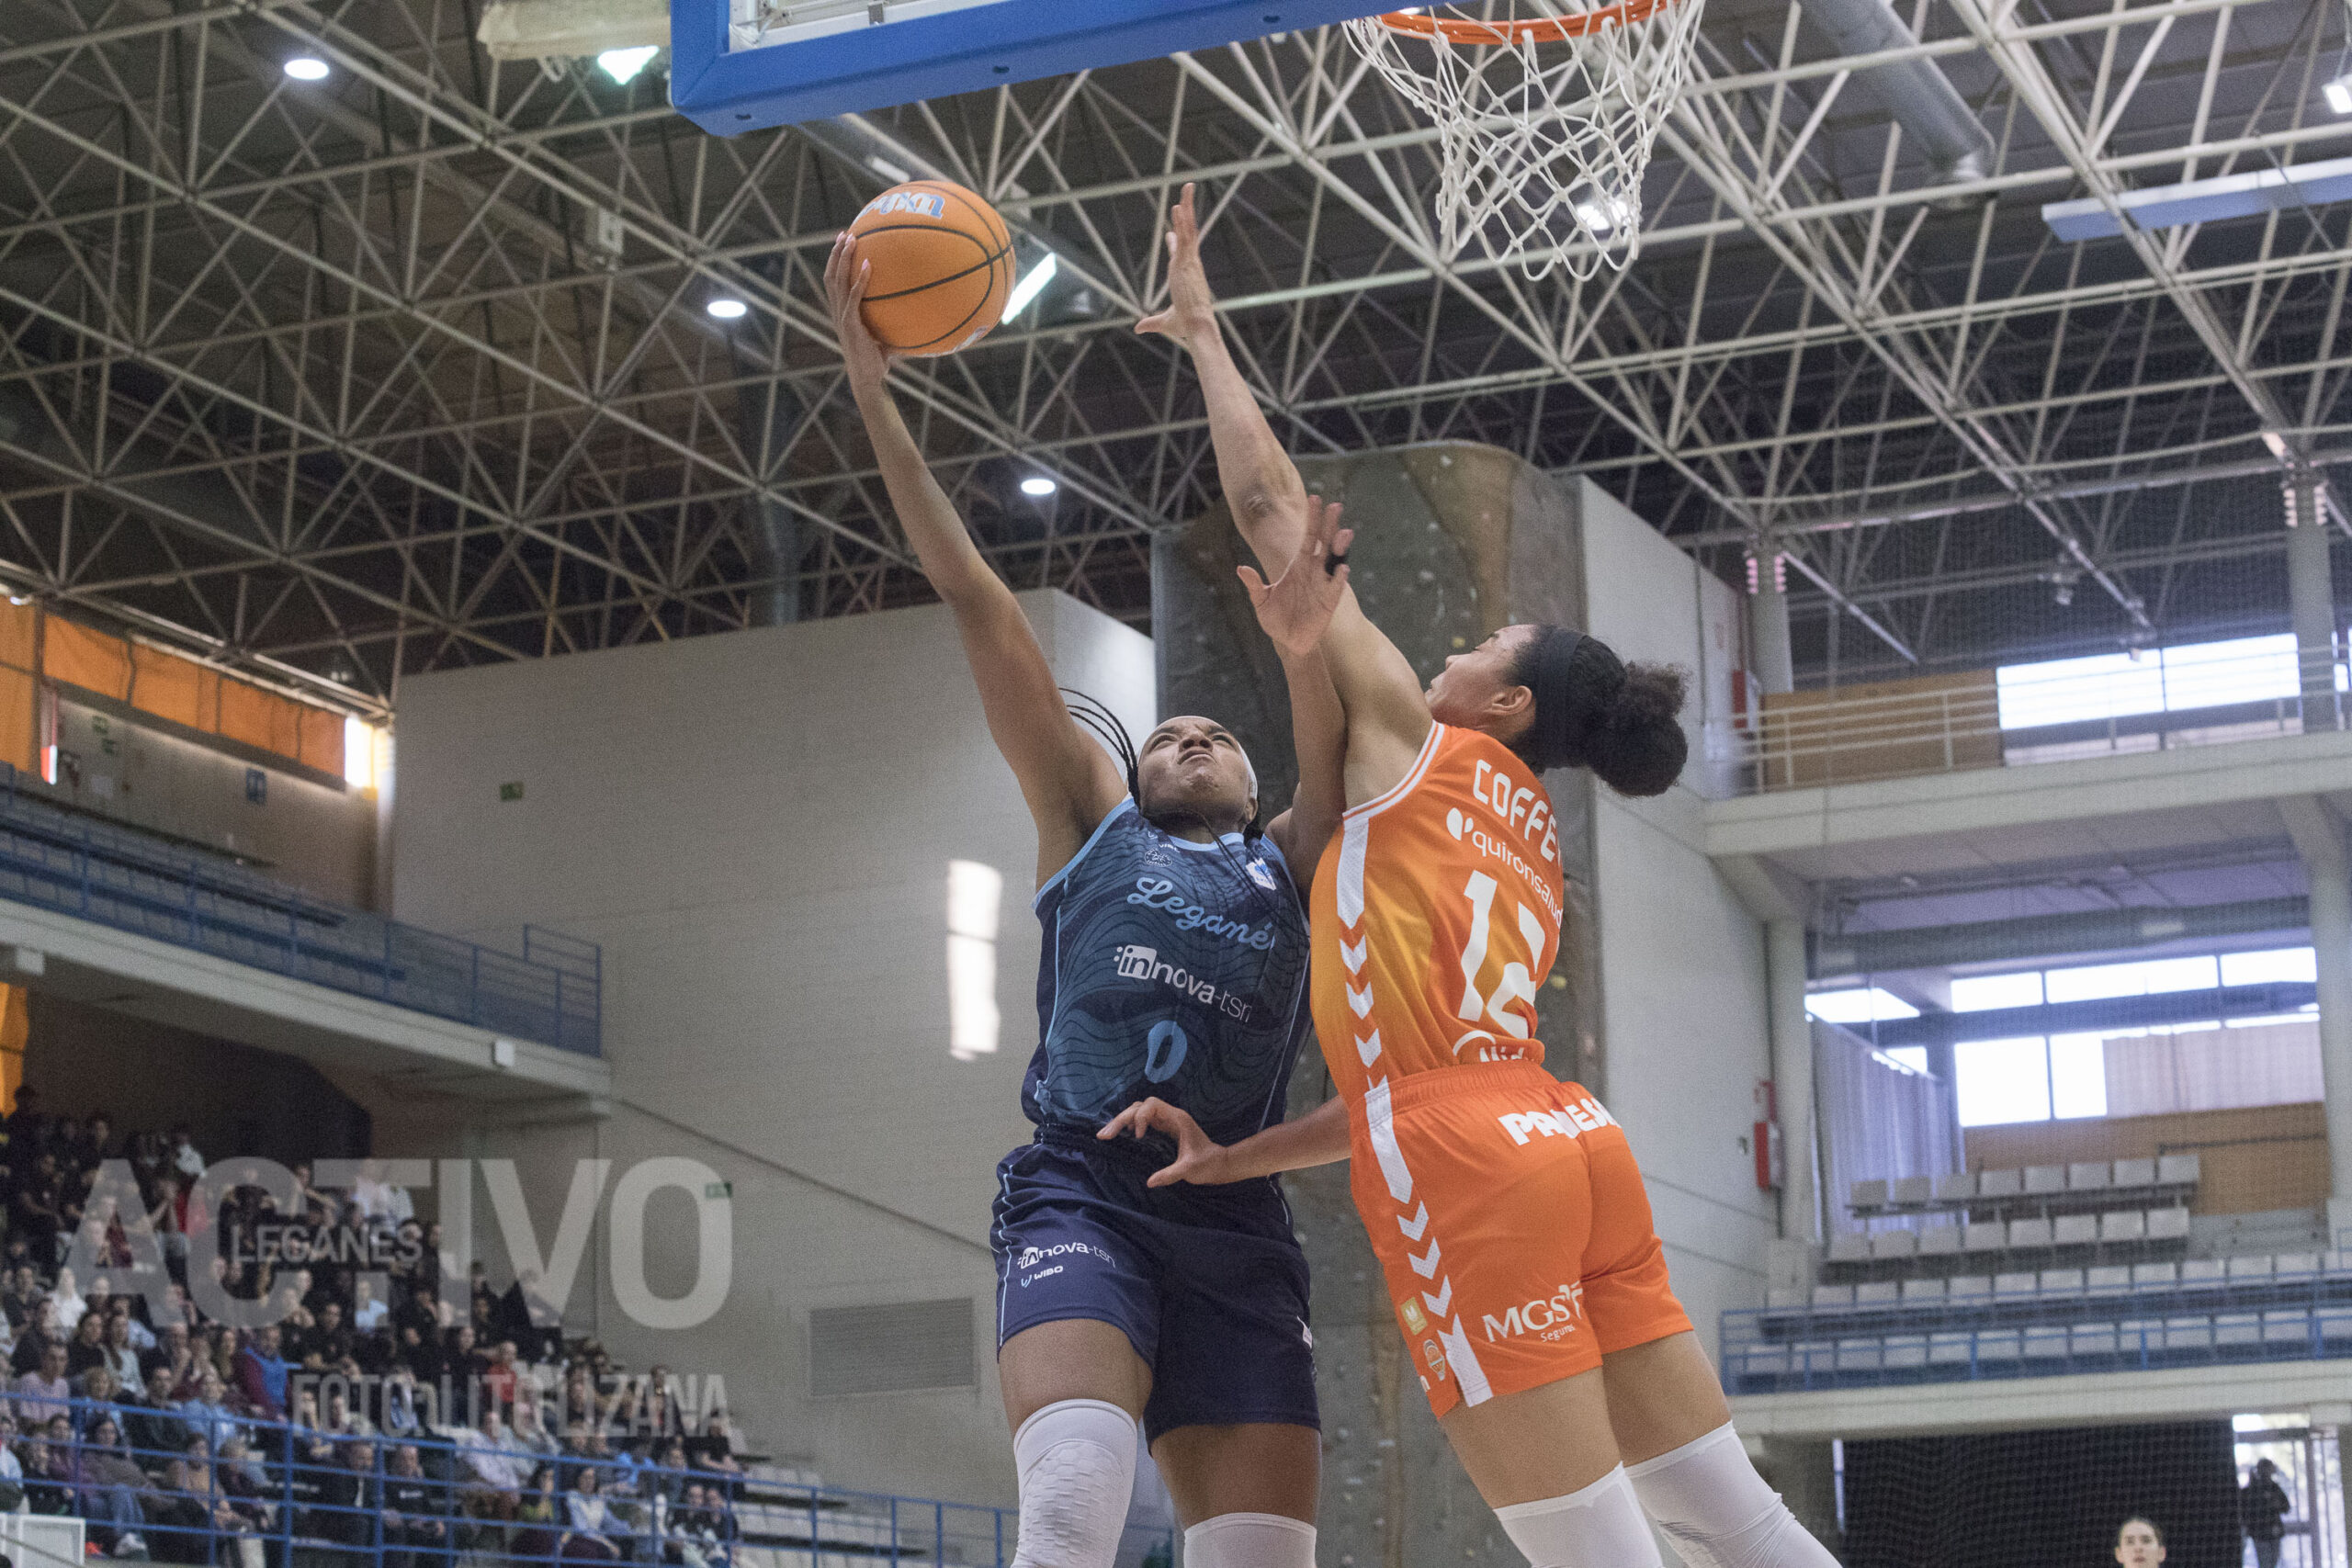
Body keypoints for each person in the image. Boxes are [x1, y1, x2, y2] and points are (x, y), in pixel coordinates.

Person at [1103, 183, 1841, 1568]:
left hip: (1466, 1164)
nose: (1457, 649)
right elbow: (1407, 1087)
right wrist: (1239, 1156)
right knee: (1736, 1519)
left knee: (1598, 1550)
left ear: (1502, 704)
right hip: (1569, 1138)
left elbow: (1268, 502)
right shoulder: (1533, 833)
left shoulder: (1418, 744)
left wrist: (1203, 335)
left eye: (1488, 642)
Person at [827, 226, 1347, 1568]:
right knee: (1069, 1503)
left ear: (1249, 784)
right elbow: (977, 596)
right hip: (1084, 1193)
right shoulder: (1088, 820)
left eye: (1213, 735)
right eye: (1166, 728)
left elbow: (1333, 729)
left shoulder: (1285, 860)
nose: (1185, 736)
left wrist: (1297, 651)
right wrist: (874, 389)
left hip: (1234, 1217)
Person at [2243, 1461, 2290, 1568]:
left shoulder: (2274, 1488)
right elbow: (2246, 1510)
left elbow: (2286, 1507)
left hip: (2274, 1532)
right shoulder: (2252, 1490)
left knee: (2272, 1562)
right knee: (2265, 1563)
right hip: (2260, 1533)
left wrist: (2276, 1504)